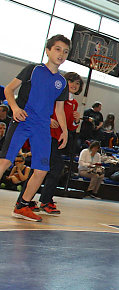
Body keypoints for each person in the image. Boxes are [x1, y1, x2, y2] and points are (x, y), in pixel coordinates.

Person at [0, 34, 69, 221]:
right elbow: (8, 89)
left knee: (41, 170)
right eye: (57, 49)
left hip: (42, 127)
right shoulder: (33, 69)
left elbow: (60, 109)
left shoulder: (62, 83)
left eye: (65, 51)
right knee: (5, 161)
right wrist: (14, 108)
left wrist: (65, 130)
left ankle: (22, 206)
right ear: (47, 51)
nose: (61, 54)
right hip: (23, 120)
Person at [38, 72, 83, 215]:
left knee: (40, 169)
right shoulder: (55, 95)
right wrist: (48, 120)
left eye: (77, 83)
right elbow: (42, 109)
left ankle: (27, 200)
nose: (74, 85)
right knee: (56, 167)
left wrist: (76, 120)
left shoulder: (74, 103)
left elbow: (70, 126)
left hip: (58, 140)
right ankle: (45, 200)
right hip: (46, 135)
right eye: (72, 81)